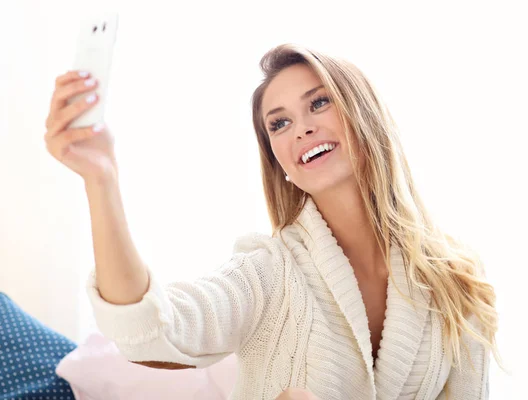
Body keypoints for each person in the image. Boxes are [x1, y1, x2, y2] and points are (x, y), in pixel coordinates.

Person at [44, 44, 500, 399]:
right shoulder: (266, 271)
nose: (301, 128)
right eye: (278, 124)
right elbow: (151, 332)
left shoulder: (455, 279)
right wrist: (101, 180)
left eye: (319, 103)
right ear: (280, 160)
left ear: (363, 114)